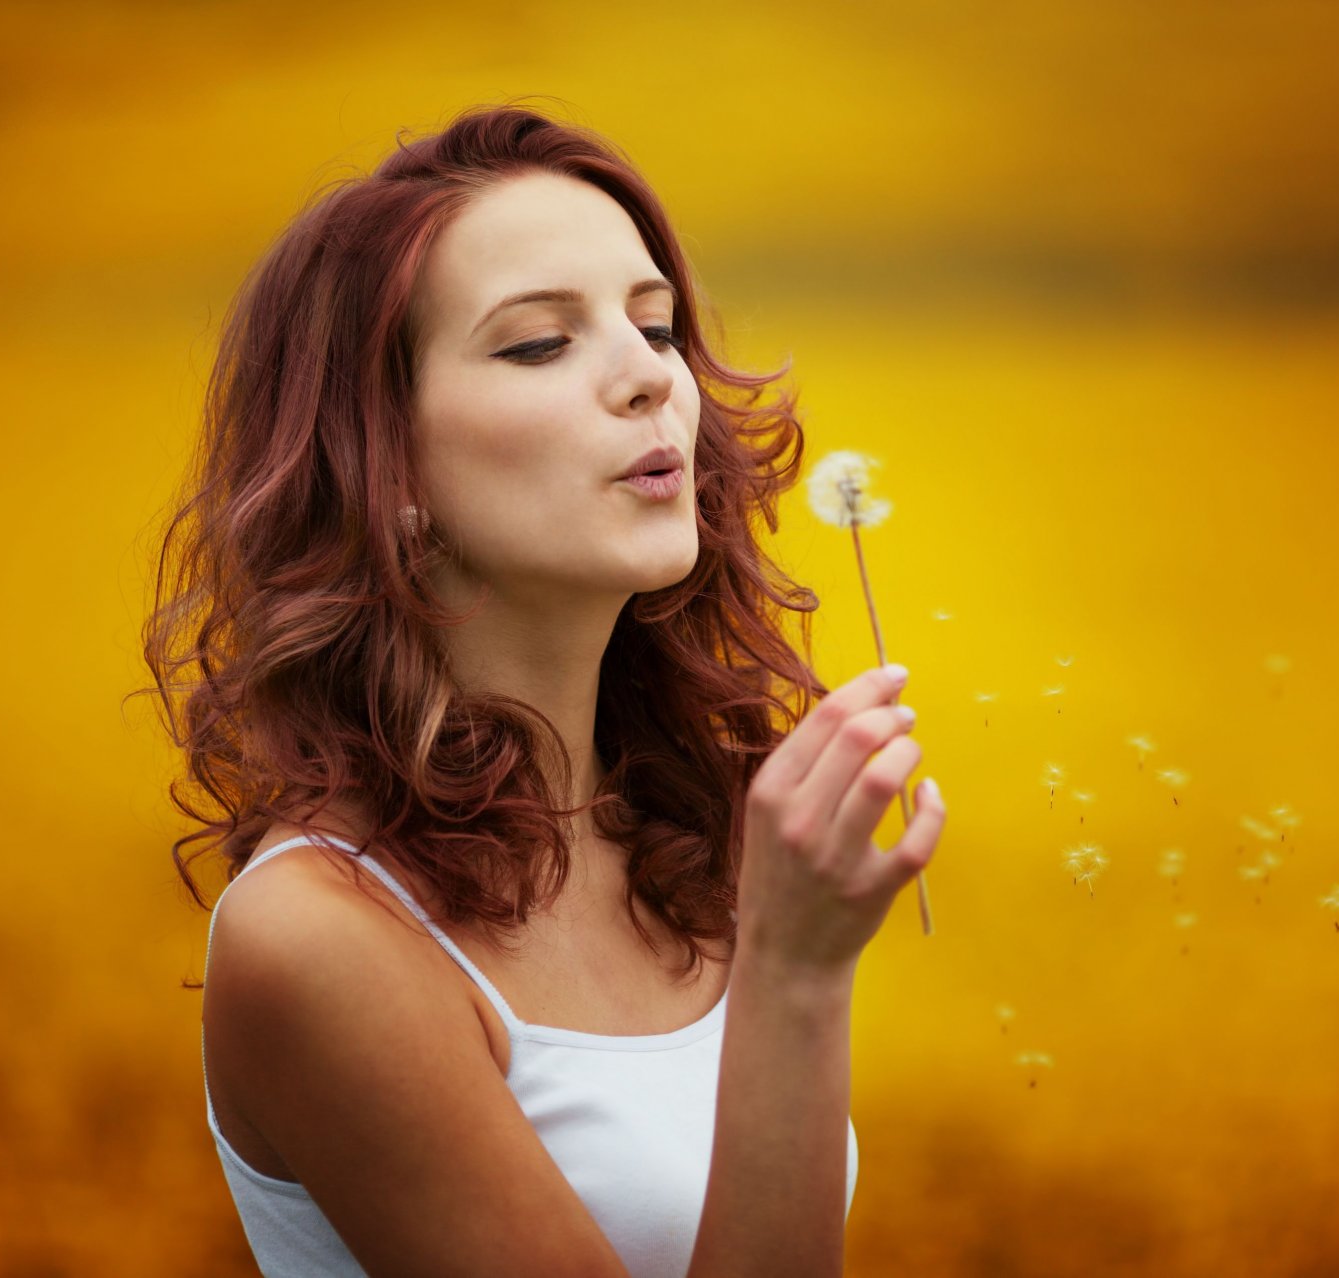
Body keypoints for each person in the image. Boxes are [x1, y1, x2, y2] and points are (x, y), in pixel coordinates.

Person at [139, 100, 945, 1278]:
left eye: (657, 325)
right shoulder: (322, 940)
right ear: (384, 467)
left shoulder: (682, 845)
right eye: (537, 343)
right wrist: (799, 972)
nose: (649, 379)